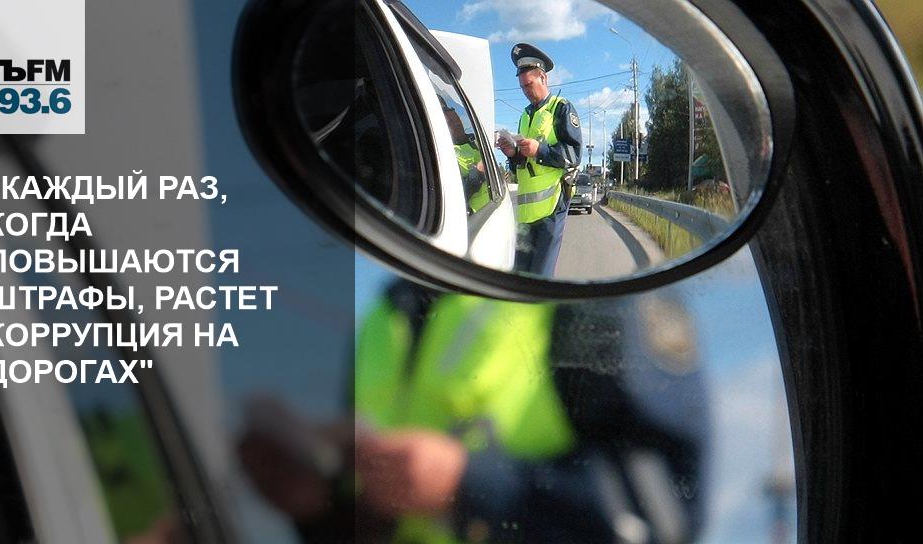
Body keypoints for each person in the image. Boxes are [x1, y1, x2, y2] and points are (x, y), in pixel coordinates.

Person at [239, 280, 710, 543]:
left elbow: (662, 520)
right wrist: (315, 505)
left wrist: (471, 484)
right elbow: (377, 519)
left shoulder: (594, 309)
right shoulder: (381, 316)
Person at [497, 43, 583, 277]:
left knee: (540, 277)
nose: (525, 91)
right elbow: (523, 164)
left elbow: (574, 155)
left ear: (543, 78)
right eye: (522, 87)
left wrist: (540, 150)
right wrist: (513, 154)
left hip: (551, 209)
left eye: (529, 85)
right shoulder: (525, 116)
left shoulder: (561, 108)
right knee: (520, 276)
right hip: (526, 212)